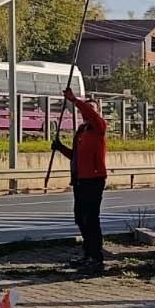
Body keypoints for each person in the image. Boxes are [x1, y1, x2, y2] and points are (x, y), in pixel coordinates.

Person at [52, 88, 108, 274]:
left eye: (92, 109)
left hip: (94, 179)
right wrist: (60, 148)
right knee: (81, 218)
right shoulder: (82, 131)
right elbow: (75, 157)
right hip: (80, 180)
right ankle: (88, 254)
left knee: (91, 219)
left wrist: (75, 100)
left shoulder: (99, 127)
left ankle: (96, 257)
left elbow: (90, 114)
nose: (87, 112)